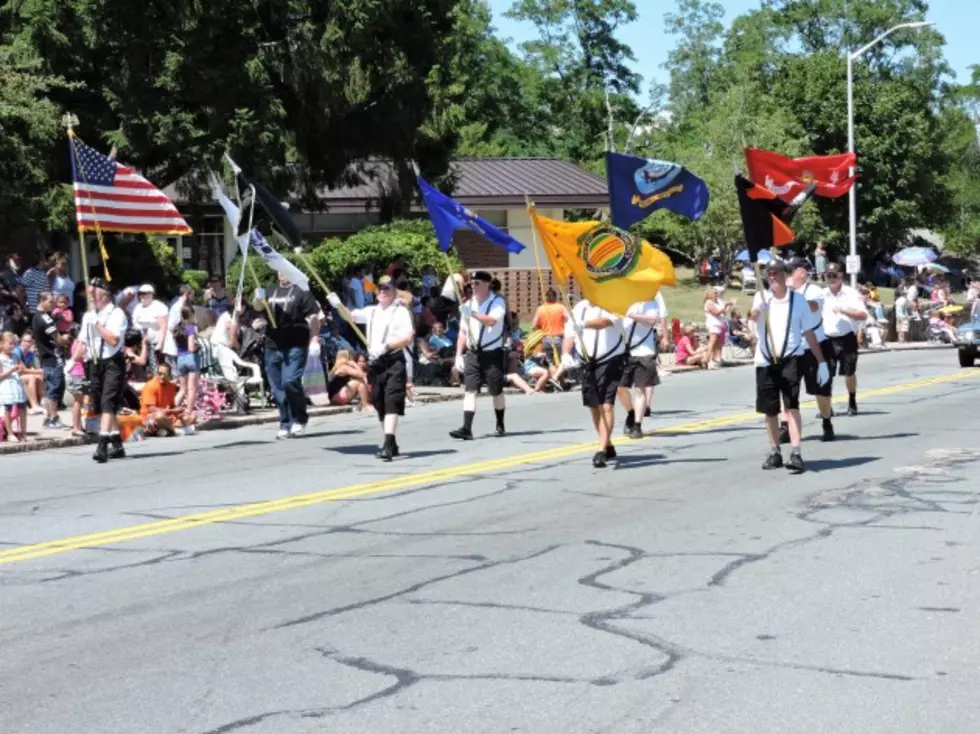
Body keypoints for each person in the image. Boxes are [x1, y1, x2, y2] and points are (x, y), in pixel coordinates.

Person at [750, 260, 830, 473]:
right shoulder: (761, 296)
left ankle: (796, 452)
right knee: (770, 410)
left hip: (791, 358)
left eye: (776, 273)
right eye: (769, 274)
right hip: (766, 360)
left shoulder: (798, 301)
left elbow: (809, 332)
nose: (772, 277)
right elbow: (752, 318)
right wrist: (759, 309)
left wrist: (821, 361)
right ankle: (775, 451)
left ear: (786, 276)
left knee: (791, 406)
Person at [331, 275, 414, 461]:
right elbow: (350, 316)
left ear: (394, 292)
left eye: (387, 289)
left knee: (391, 400)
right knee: (380, 403)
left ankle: (387, 442)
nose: (383, 292)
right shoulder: (371, 311)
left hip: (393, 360)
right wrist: (337, 304)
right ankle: (391, 443)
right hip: (376, 364)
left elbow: (408, 336)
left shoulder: (400, 312)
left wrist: (388, 346)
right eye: (380, 289)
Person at [561, 297, 626, 469]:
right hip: (587, 363)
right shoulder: (579, 308)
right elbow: (569, 334)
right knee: (594, 406)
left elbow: (606, 322)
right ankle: (608, 443)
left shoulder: (612, 304)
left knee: (606, 405)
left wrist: (584, 324)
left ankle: (601, 449)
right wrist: (565, 354)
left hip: (610, 360)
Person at [255, 271, 321, 439]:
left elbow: (313, 317)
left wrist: (314, 339)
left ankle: (300, 417)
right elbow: (258, 307)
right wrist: (258, 297)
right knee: (277, 386)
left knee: (290, 380)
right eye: (279, 271)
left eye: (285, 270)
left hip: (296, 342)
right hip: (273, 344)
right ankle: (286, 422)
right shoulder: (270, 290)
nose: (282, 274)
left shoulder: (301, 291)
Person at [449, 271, 508, 440]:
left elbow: (491, 321)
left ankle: (500, 423)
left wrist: (472, 313)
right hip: (473, 353)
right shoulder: (469, 303)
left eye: (476, 284)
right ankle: (466, 428)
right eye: (471, 284)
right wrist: (458, 355)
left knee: (496, 391)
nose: (472, 287)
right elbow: (463, 332)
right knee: (470, 390)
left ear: (487, 285)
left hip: (492, 353)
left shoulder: (497, 302)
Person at [787, 257, 836, 443]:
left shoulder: (813, 290)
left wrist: (792, 294)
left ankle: (826, 421)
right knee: (788, 389)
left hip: (815, 345)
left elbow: (813, 308)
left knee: (821, 389)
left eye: (792, 271)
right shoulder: (783, 293)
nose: (790, 275)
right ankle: (787, 426)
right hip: (792, 346)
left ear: (801, 272)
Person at [81, 278, 129, 462]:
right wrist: (73, 359)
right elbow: (83, 340)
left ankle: (102, 446)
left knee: (108, 401)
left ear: (104, 295)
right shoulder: (89, 315)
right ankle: (117, 444)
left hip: (112, 361)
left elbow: (114, 340)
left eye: (94, 292)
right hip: (95, 361)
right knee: (102, 403)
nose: (91, 296)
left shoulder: (116, 314)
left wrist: (99, 325)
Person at [619, 292, 668, 439]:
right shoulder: (621, 299)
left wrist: (631, 314)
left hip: (644, 351)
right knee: (619, 389)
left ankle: (637, 425)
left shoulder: (650, 300)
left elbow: (652, 319)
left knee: (640, 390)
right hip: (623, 351)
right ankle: (631, 413)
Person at [822, 262, 867, 416]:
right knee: (826, 374)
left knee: (849, 373)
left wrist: (844, 310)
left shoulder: (851, 293)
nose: (831, 278)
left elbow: (863, 315)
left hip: (847, 338)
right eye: (828, 275)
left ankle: (852, 401)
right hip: (827, 338)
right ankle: (826, 406)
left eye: (835, 275)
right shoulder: (821, 294)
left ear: (841, 276)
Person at [32, 291, 69, 430]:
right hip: (53, 358)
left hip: (45, 358)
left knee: (49, 390)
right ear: (42, 301)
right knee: (55, 389)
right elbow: (58, 340)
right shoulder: (45, 319)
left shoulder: (36, 317)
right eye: (50, 301)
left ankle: (48, 418)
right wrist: (67, 339)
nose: (53, 304)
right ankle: (54, 418)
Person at [132, 284, 175, 373]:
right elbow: (135, 325)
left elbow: (163, 326)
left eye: (145, 294)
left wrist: (160, 343)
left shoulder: (159, 307)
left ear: (151, 294)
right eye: (140, 293)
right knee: (148, 369)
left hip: (157, 344)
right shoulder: (138, 308)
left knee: (161, 369)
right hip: (142, 344)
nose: (142, 296)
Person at [139, 362, 190, 436]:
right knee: (160, 416)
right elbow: (150, 409)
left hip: (167, 416)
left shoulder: (171, 386)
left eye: (165, 374)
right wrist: (170, 411)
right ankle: (174, 431)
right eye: (159, 373)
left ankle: (165, 430)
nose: (162, 376)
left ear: (169, 375)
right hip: (150, 418)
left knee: (192, 415)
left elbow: (172, 405)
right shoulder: (150, 386)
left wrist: (179, 410)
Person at [173, 306, 201, 423]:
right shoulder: (191, 328)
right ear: (191, 315)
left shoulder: (177, 328)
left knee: (182, 389)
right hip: (191, 359)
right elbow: (191, 347)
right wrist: (198, 345)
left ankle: (174, 410)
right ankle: (189, 412)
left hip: (180, 359)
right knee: (191, 389)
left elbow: (178, 345)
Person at [0, 331, 28, 442]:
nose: (12, 346)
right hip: (6, 386)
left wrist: (20, 369)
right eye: (10, 343)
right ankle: (10, 433)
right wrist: (11, 370)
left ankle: (23, 432)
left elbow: (22, 369)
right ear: (2, 344)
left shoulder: (16, 356)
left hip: (17, 385)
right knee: (7, 409)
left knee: (22, 409)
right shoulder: (1, 358)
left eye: (13, 344)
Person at [531, 288, 569, 360]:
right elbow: (569, 319)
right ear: (556, 297)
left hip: (546, 339)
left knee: (550, 363)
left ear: (546, 297)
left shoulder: (540, 309)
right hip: (559, 339)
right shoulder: (561, 308)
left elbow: (533, 326)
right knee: (560, 362)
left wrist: (541, 326)